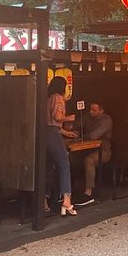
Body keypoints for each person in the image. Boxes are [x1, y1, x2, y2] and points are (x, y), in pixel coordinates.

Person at [47, 76, 78, 216]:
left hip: (44, 134)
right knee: (64, 164)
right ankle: (66, 199)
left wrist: (66, 133)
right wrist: (69, 118)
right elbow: (58, 118)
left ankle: (44, 200)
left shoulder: (47, 98)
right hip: (53, 134)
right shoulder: (58, 98)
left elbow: (50, 122)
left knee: (47, 167)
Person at [75, 101, 113, 206]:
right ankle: (68, 192)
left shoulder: (106, 120)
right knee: (71, 158)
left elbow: (94, 136)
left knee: (89, 160)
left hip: (103, 151)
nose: (90, 111)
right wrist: (74, 130)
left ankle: (88, 193)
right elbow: (76, 124)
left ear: (101, 111)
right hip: (86, 150)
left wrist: (82, 135)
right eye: (90, 109)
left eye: (94, 110)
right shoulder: (87, 117)